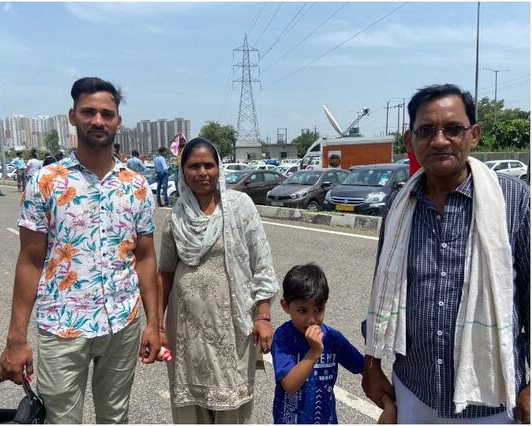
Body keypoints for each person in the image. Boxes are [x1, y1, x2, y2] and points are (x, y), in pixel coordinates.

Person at [0, 77, 161, 423]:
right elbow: (30, 260)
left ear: (118, 121)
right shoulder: (46, 182)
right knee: (61, 419)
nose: (98, 121)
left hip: (122, 323)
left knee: (115, 418)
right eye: (89, 112)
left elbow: (146, 257)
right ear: (73, 116)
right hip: (62, 325)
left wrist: (154, 324)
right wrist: (16, 339)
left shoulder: (137, 187)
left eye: (107, 114)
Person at [363, 84, 530, 424]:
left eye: (453, 129)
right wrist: (372, 365)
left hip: (492, 399)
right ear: (410, 141)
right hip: (415, 390)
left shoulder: (514, 201)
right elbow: (381, 289)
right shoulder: (399, 206)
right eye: (426, 131)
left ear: (474, 135)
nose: (440, 141)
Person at [157, 137, 279, 423]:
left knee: (230, 403)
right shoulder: (177, 216)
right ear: (182, 171)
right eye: (194, 166)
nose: (202, 172)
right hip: (186, 330)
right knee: (191, 406)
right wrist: (157, 325)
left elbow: (262, 262)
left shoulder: (240, 207)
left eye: (209, 165)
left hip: (231, 328)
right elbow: (165, 272)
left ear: (219, 168)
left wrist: (263, 316)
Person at [271, 263, 366, 424]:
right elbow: (290, 385)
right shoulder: (283, 337)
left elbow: (364, 367)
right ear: (285, 306)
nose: (312, 319)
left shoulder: (332, 338)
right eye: (302, 310)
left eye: (319, 310)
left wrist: (387, 401)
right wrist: (314, 352)